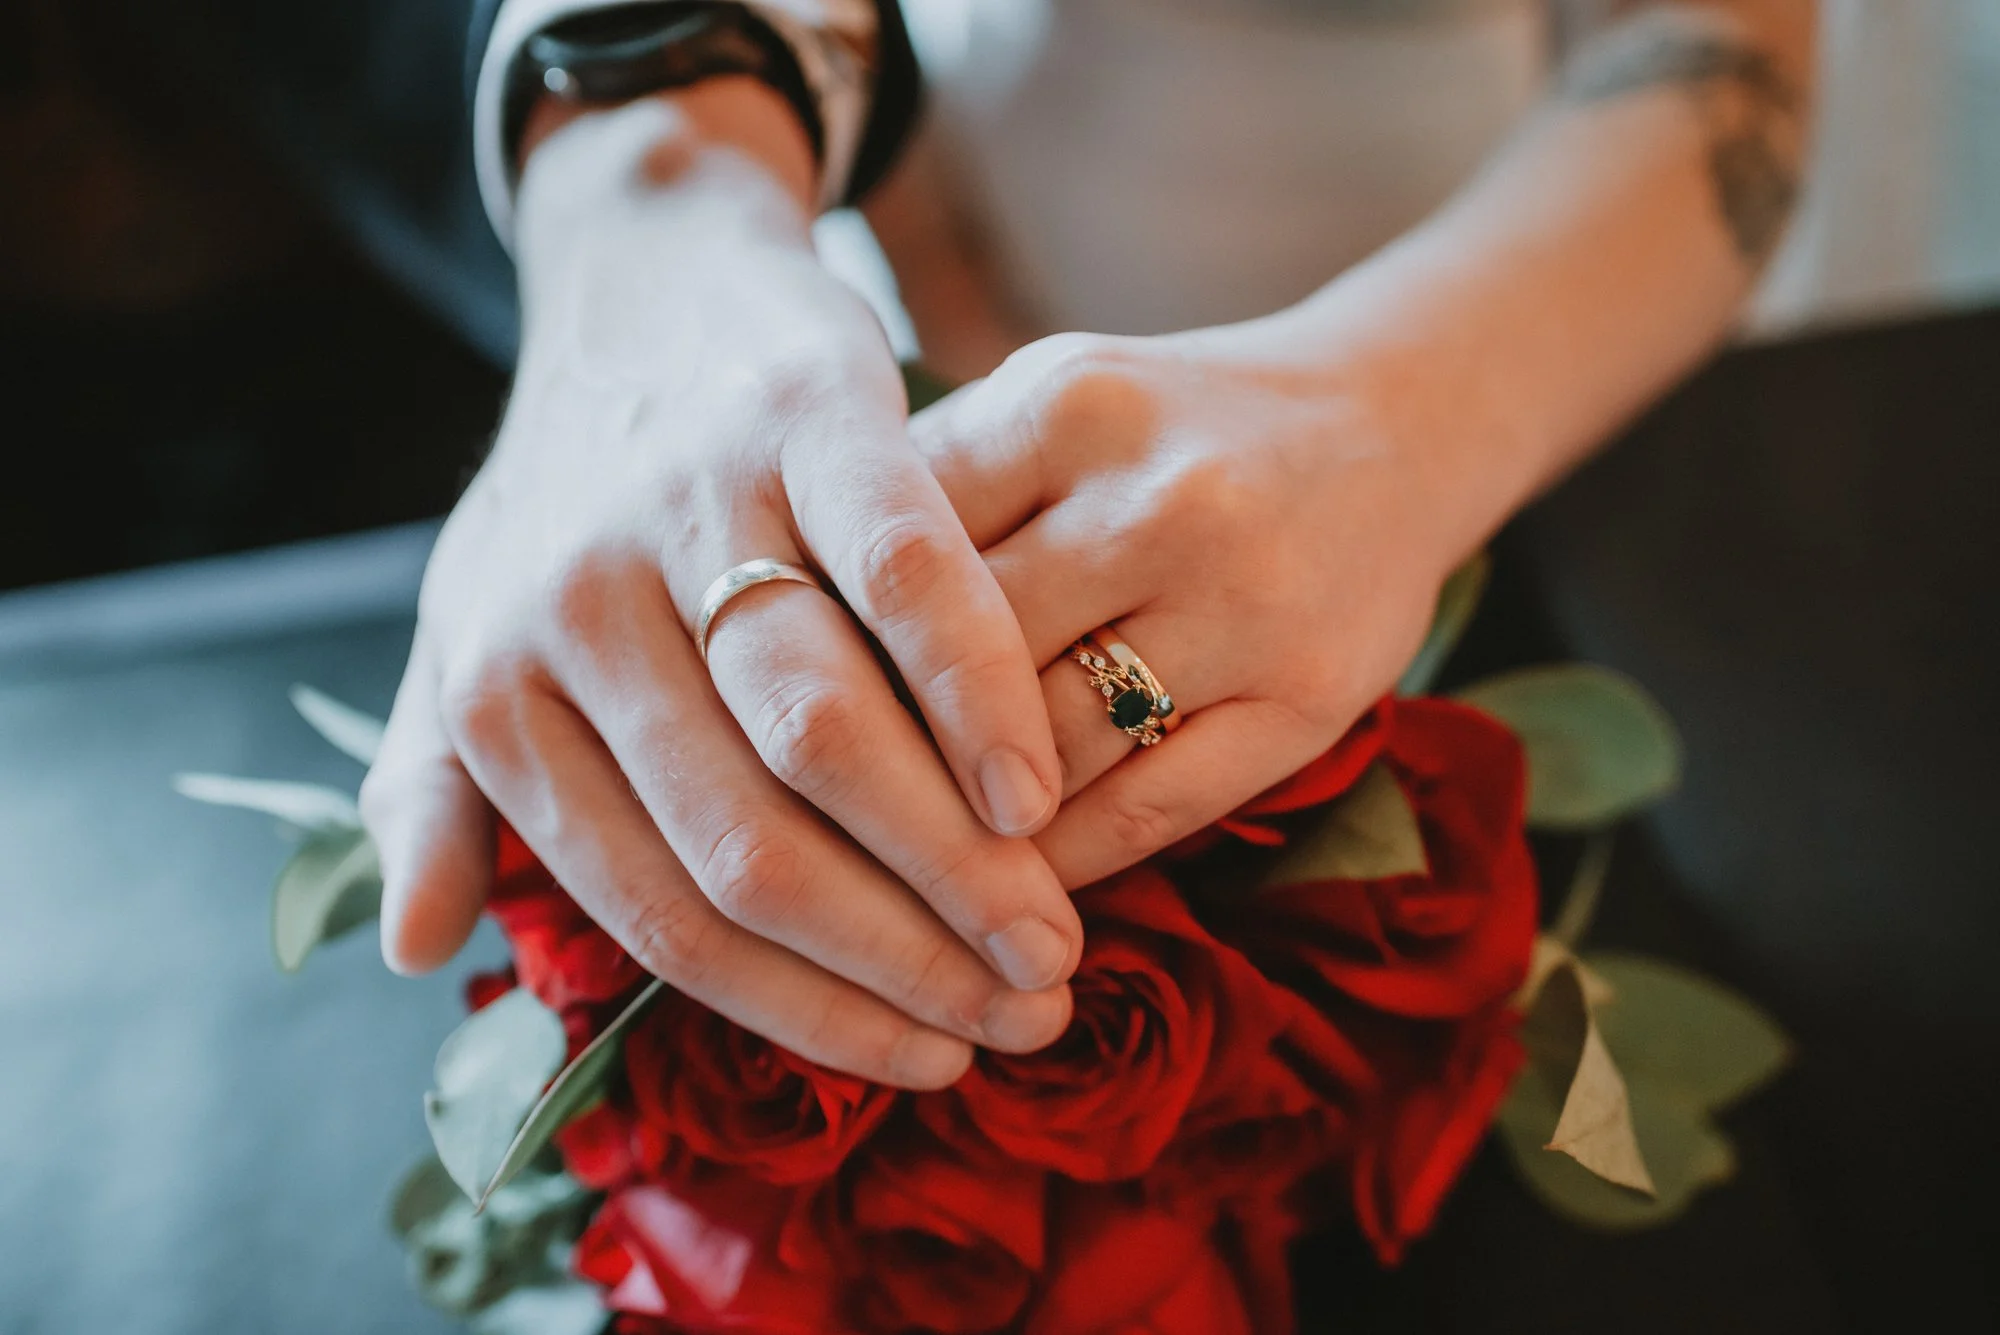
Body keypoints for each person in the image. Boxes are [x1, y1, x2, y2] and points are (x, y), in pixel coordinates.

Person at [325, 0, 1818, 1092]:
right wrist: (647, 183)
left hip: (1527, 336)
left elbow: (1722, 51)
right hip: (888, 297)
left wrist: (1393, 421)